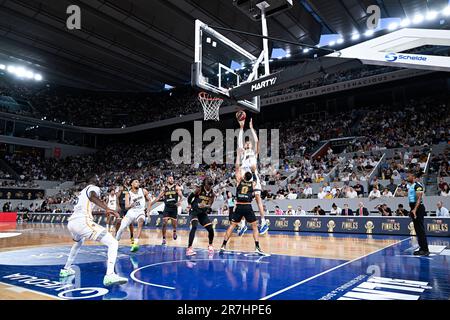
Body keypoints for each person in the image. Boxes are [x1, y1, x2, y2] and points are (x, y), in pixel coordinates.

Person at [59, 175, 128, 287]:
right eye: (98, 179)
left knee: (78, 242)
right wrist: (108, 209)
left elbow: (89, 207)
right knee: (113, 242)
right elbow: (92, 197)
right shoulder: (94, 188)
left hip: (72, 223)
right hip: (82, 222)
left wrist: (104, 211)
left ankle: (66, 269)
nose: (100, 180)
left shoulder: (82, 192)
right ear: (94, 181)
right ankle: (110, 275)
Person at [220, 148, 265, 255]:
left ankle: (223, 245)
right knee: (254, 226)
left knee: (232, 225)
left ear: (243, 176)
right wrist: (253, 170)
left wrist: (239, 156)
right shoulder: (252, 184)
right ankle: (257, 247)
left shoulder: (239, 182)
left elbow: (236, 168)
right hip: (248, 207)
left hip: (239, 207)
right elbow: (255, 178)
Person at [237, 117, 269, 235]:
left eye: (248, 143)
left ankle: (264, 222)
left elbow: (257, 141)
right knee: (243, 201)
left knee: (257, 198)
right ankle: (243, 224)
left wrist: (251, 128)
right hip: (245, 178)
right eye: (246, 143)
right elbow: (240, 142)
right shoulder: (242, 154)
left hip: (253, 177)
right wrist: (241, 128)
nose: (248, 143)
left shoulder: (254, 153)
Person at [116, 179, 152, 252]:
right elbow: (126, 206)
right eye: (136, 182)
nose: (138, 183)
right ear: (131, 184)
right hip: (131, 211)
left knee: (141, 221)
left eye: (138, 182)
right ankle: (116, 241)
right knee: (121, 228)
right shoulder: (128, 193)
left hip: (140, 211)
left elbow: (150, 200)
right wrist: (130, 205)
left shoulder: (143, 191)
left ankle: (135, 243)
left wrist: (148, 212)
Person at [186, 177, 215, 256]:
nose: (209, 186)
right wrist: (189, 204)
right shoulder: (199, 190)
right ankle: (189, 248)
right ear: (205, 183)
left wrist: (204, 205)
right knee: (194, 226)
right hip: (194, 211)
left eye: (211, 185)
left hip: (202, 213)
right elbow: (190, 197)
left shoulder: (212, 194)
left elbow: (209, 205)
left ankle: (210, 245)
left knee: (211, 229)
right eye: (208, 184)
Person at [150, 175, 183, 245]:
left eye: (172, 178)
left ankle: (174, 231)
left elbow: (181, 196)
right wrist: (151, 204)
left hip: (174, 207)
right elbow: (158, 197)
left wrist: (179, 202)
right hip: (167, 207)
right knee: (164, 222)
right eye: (170, 178)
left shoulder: (176, 187)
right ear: (167, 180)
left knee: (174, 224)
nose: (171, 179)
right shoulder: (164, 188)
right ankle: (164, 238)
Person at [407, 172, 429, 256]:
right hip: (414, 208)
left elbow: (419, 199)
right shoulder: (412, 186)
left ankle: (425, 249)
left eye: (408, 176)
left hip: (418, 209)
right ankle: (422, 248)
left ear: (413, 176)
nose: (407, 177)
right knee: (417, 230)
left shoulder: (418, 185)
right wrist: (412, 210)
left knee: (420, 230)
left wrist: (415, 210)